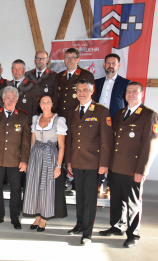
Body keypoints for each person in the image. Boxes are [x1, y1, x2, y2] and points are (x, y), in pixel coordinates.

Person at [99, 82, 158, 248]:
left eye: (134, 91)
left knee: (133, 202)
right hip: (116, 166)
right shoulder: (120, 113)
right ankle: (117, 226)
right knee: (117, 199)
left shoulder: (148, 115)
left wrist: (142, 170)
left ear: (142, 94)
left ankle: (133, 234)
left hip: (133, 168)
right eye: (128, 92)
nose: (130, 94)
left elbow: (150, 144)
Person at [65, 79, 113, 245]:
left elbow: (106, 140)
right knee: (80, 197)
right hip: (77, 162)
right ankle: (79, 225)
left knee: (90, 199)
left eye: (85, 90)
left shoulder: (101, 111)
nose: (81, 93)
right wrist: (69, 161)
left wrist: (104, 163)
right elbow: (70, 139)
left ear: (92, 91)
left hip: (94, 163)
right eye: (78, 90)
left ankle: (87, 233)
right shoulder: (73, 111)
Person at [0, 86, 30, 229]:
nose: (10, 101)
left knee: (16, 188)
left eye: (13, 98)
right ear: (3, 99)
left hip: (15, 159)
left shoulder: (23, 116)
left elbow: (26, 141)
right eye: (7, 98)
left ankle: (15, 217)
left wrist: (24, 160)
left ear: (16, 100)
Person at [22, 93, 67, 232]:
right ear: (39, 104)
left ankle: (44, 218)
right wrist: (30, 158)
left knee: (46, 187)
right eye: (42, 101)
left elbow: (62, 145)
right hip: (36, 155)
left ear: (52, 103)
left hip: (50, 154)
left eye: (48, 101)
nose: (45, 104)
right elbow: (32, 140)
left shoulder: (58, 120)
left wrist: (58, 166)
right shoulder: (36, 119)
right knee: (34, 185)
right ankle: (37, 215)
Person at [54, 48, 95, 195]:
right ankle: (63, 180)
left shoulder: (86, 75)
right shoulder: (59, 76)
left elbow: (89, 98)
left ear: (78, 59)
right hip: (61, 121)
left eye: (72, 57)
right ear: (64, 60)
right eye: (67, 57)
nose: (69, 60)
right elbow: (55, 99)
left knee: (77, 149)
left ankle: (77, 183)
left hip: (79, 120)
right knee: (61, 149)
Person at [95, 53, 131, 196]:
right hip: (96, 125)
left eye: (113, 63)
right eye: (108, 63)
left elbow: (128, 107)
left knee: (112, 155)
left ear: (118, 66)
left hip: (115, 125)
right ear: (104, 65)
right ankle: (97, 184)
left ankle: (110, 185)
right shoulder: (97, 83)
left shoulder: (125, 83)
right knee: (97, 153)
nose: (110, 66)